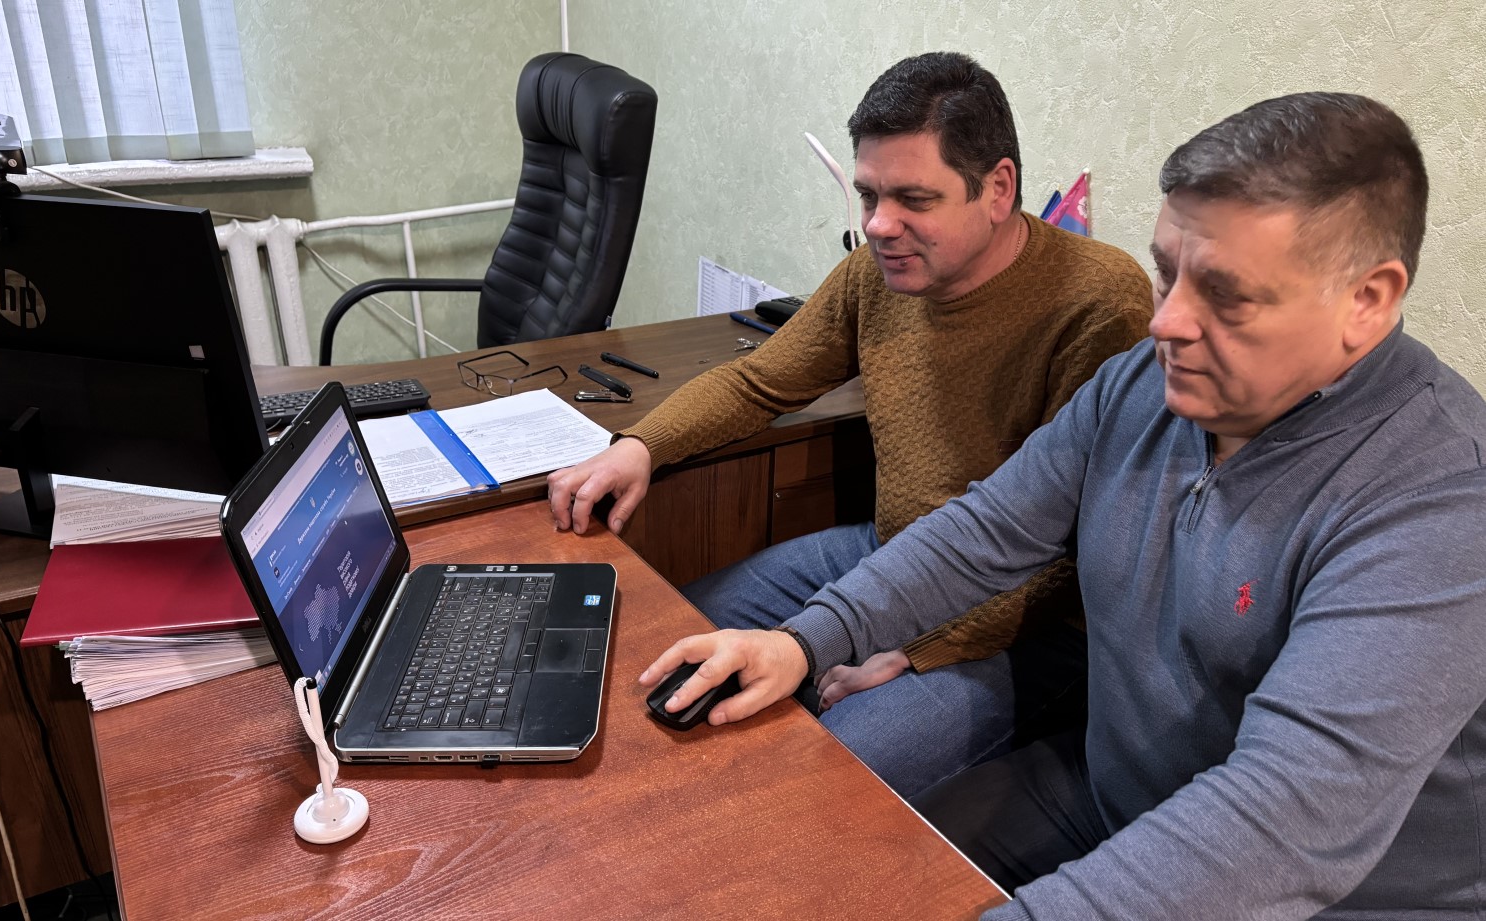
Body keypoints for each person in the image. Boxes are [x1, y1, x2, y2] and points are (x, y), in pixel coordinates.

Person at [642, 91, 1486, 919]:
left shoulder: (1439, 503)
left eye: (1224, 294)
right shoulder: (1144, 384)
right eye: (1167, 273)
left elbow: (1281, 821)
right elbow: (987, 530)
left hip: (1317, 891)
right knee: (844, 863)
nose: (1166, 322)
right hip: (1114, 791)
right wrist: (804, 641)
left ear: (1367, 300)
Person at [546, 51, 1152, 795]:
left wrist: (922, 648)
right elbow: (760, 381)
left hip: (1031, 624)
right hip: (890, 555)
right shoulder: (880, 271)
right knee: (665, 645)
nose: (878, 224)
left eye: (913, 199)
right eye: (868, 194)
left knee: (806, 781)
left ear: (998, 188)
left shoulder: (1099, 301)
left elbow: (1084, 552)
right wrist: (641, 446)